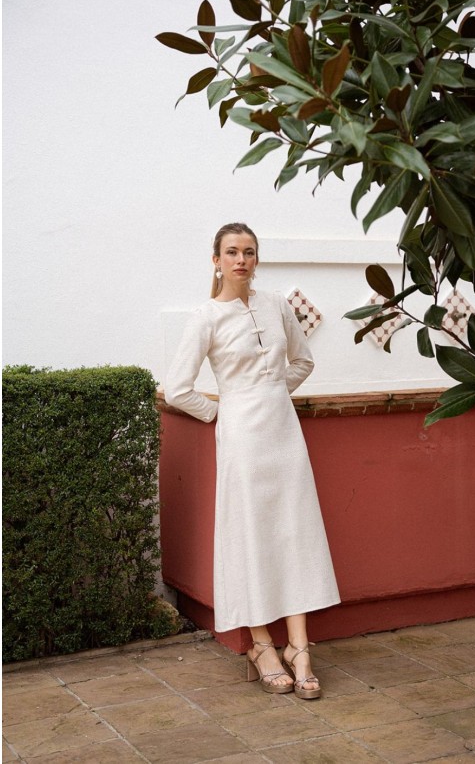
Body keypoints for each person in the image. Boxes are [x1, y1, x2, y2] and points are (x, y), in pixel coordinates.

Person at [165, 222, 340, 700]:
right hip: (241, 438)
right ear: (216, 259)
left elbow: (302, 362)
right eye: (231, 252)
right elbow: (178, 388)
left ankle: (300, 648)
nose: (241, 259)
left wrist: (271, 395)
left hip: (285, 435)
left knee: (295, 532)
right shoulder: (205, 317)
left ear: (257, 259)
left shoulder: (278, 305)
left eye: (249, 252)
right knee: (253, 534)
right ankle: (262, 645)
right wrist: (225, 410)